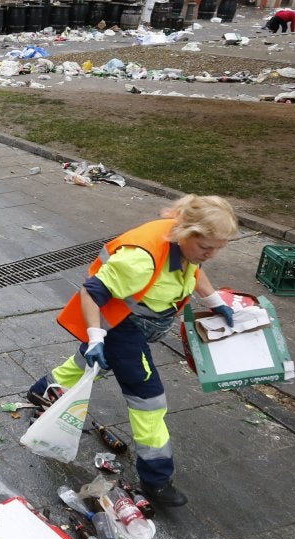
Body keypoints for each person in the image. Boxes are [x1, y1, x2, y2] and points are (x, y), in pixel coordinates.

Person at [26, 195, 241, 506]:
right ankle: (156, 479)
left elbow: (193, 268)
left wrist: (215, 301)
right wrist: (97, 336)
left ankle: (42, 390)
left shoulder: (186, 248)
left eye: (218, 248)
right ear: (185, 233)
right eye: (206, 247)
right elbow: (91, 292)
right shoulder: (141, 259)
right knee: (148, 399)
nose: (211, 254)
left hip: (136, 323)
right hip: (122, 326)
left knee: (89, 366)